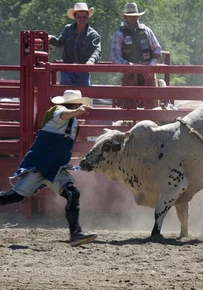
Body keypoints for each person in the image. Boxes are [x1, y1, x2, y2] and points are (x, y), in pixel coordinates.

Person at [0, 90, 98, 247]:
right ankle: (76, 234)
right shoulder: (58, 111)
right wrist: (76, 111)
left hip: (54, 168)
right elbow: (63, 114)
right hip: (40, 165)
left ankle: (76, 234)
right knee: (15, 197)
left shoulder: (72, 120)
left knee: (72, 193)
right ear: (74, 104)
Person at [111, 2, 162, 109]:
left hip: (148, 71)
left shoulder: (147, 31)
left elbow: (157, 49)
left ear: (138, 16)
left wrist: (151, 65)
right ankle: (126, 122)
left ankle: (154, 120)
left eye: (134, 15)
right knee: (127, 105)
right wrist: (127, 65)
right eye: (130, 16)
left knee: (153, 105)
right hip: (129, 73)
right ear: (125, 17)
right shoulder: (119, 34)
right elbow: (115, 56)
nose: (133, 18)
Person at [49, 2, 101, 86]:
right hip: (67, 68)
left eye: (84, 17)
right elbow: (60, 43)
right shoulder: (67, 29)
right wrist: (52, 39)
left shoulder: (93, 34)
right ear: (75, 18)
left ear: (88, 17)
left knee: (83, 94)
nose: (82, 19)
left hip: (83, 69)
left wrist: (91, 60)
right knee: (66, 92)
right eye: (79, 17)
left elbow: (97, 50)